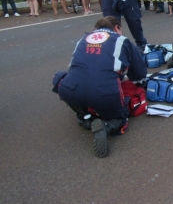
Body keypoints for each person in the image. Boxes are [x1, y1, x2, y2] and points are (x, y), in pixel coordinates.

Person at [53, 16, 147, 158]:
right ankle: (108, 126)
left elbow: (74, 67)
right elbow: (139, 74)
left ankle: (85, 116)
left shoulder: (82, 40)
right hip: (104, 93)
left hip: (71, 89)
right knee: (119, 115)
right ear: (117, 28)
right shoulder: (122, 40)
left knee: (60, 77)